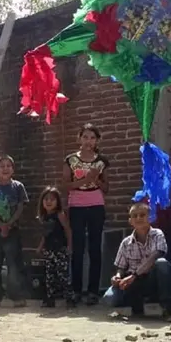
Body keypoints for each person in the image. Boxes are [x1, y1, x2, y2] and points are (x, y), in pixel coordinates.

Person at [102, 202, 171, 320]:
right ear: (130, 221)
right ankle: (136, 309)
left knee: (162, 263)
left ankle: (168, 309)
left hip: (152, 280)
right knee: (110, 298)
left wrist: (134, 276)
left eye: (142, 215)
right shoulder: (126, 242)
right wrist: (117, 277)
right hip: (133, 283)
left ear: (150, 218)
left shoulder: (158, 234)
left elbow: (155, 257)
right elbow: (121, 267)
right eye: (135, 216)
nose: (138, 218)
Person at [63, 123, 110, 305]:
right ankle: (75, 290)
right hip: (77, 205)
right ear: (79, 139)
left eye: (92, 138)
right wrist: (85, 179)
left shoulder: (102, 161)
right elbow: (66, 185)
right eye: (85, 137)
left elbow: (106, 188)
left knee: (94, 248)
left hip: (96, 204)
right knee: (78, 247)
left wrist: (96, 179)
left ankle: (92, 291)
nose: (88, 141)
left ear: (97, 140)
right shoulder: (70, 160)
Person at [0, 155, 29, 307]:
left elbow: (21, 207)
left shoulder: (18, 186)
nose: (5, 169)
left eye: (9, 166)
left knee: (13, 264)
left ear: (13, 169)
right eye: (2, 166)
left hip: (13, 230)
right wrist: (0, 224)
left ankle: (16, 296)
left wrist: (9, 223)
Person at [35, 187, 72, 307]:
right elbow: (45, 235)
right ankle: (50, 299)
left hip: (60, 249)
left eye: (52, 199)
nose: (49, 202)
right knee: (49, 275)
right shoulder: (44, 217)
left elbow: (67, 230)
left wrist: (69, 246)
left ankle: (69, 299)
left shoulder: (60, 215)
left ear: (57, 201)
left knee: (63, 275)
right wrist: (40, 247)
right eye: (46, 199)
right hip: (49, 250)